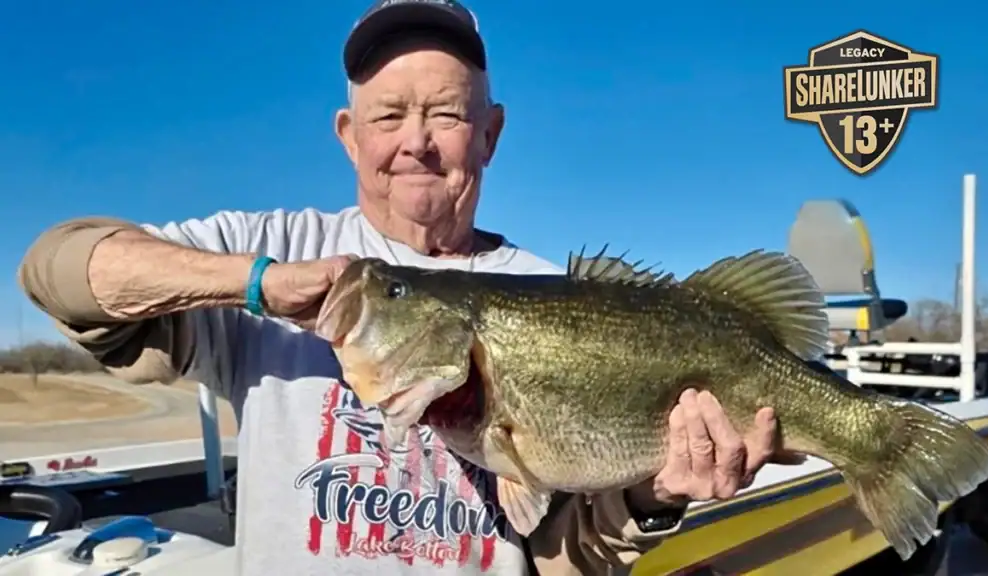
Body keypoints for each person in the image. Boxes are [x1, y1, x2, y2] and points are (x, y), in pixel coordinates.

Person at [18, 1, 780, 573]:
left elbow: (562, 560)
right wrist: (255, 282)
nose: (416, 141)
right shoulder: (275, 249)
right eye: (388, 115)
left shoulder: (549, 291)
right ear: (349, 135)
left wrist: (652, 497)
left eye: (446, 113)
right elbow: (60, 270)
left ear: (490, 134)